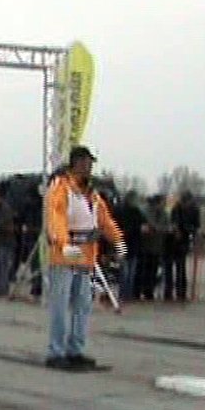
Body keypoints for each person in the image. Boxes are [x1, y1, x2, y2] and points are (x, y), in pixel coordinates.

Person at [44, 146, 125, 370]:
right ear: (76, 163)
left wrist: (119, 242)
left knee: (83, 305)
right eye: (86, 163)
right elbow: (56, 217)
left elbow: (105, 221)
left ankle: (75, 349)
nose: (90, 168)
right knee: (60, 305)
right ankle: (56, 352)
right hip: (65, 255)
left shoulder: (93, 194)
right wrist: (63, 243)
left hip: (86, 256)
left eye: (91, 164)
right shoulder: (61, 188)